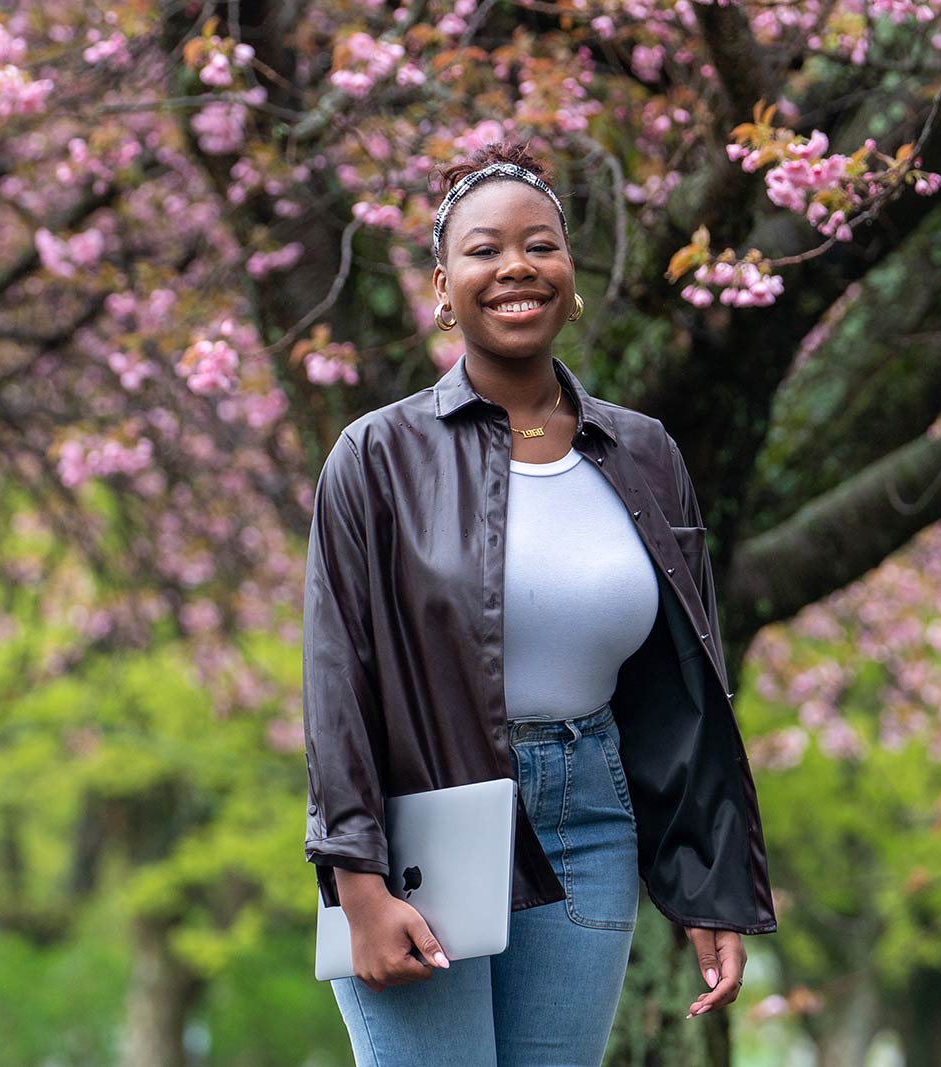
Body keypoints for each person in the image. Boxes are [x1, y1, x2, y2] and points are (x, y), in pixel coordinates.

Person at [302, 140, 777, 1067]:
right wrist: (354, 880)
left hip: (589, 815)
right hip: (421, 824)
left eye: (540, 246)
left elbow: (675, 692)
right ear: (444, 285)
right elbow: (338, 681)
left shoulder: (645, 455)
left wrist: (704, 883)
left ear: (571, 274)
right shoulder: (376, 456)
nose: (515, 267)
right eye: (484, 250)